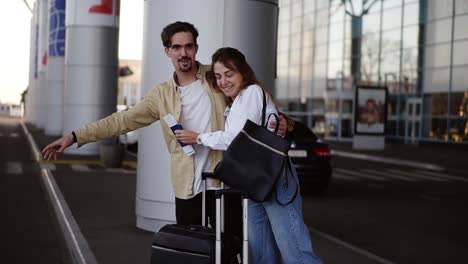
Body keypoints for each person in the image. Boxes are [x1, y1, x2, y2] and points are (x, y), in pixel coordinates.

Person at [41, 22, 285, 232]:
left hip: (225, 182)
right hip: (187, 187)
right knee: (193, 253)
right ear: (167, 51)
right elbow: (121, 121)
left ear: (196, 48)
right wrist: (75, 136)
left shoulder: (216, 76)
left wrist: (281, 120)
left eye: (189, 46)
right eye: (176, 47)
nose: (184, 53)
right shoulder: (161, 95)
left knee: (231, 250)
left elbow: (255, 94)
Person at [175, 47, 323, 264]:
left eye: (229, 74)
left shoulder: (252, 93)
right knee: (261, 253)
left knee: (296, 252)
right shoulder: (237, 102)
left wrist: (198, 137)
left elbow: (233, 138)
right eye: (218, 76)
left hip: (274, 178)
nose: (223, 81)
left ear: (243, 72)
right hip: (256, 181)